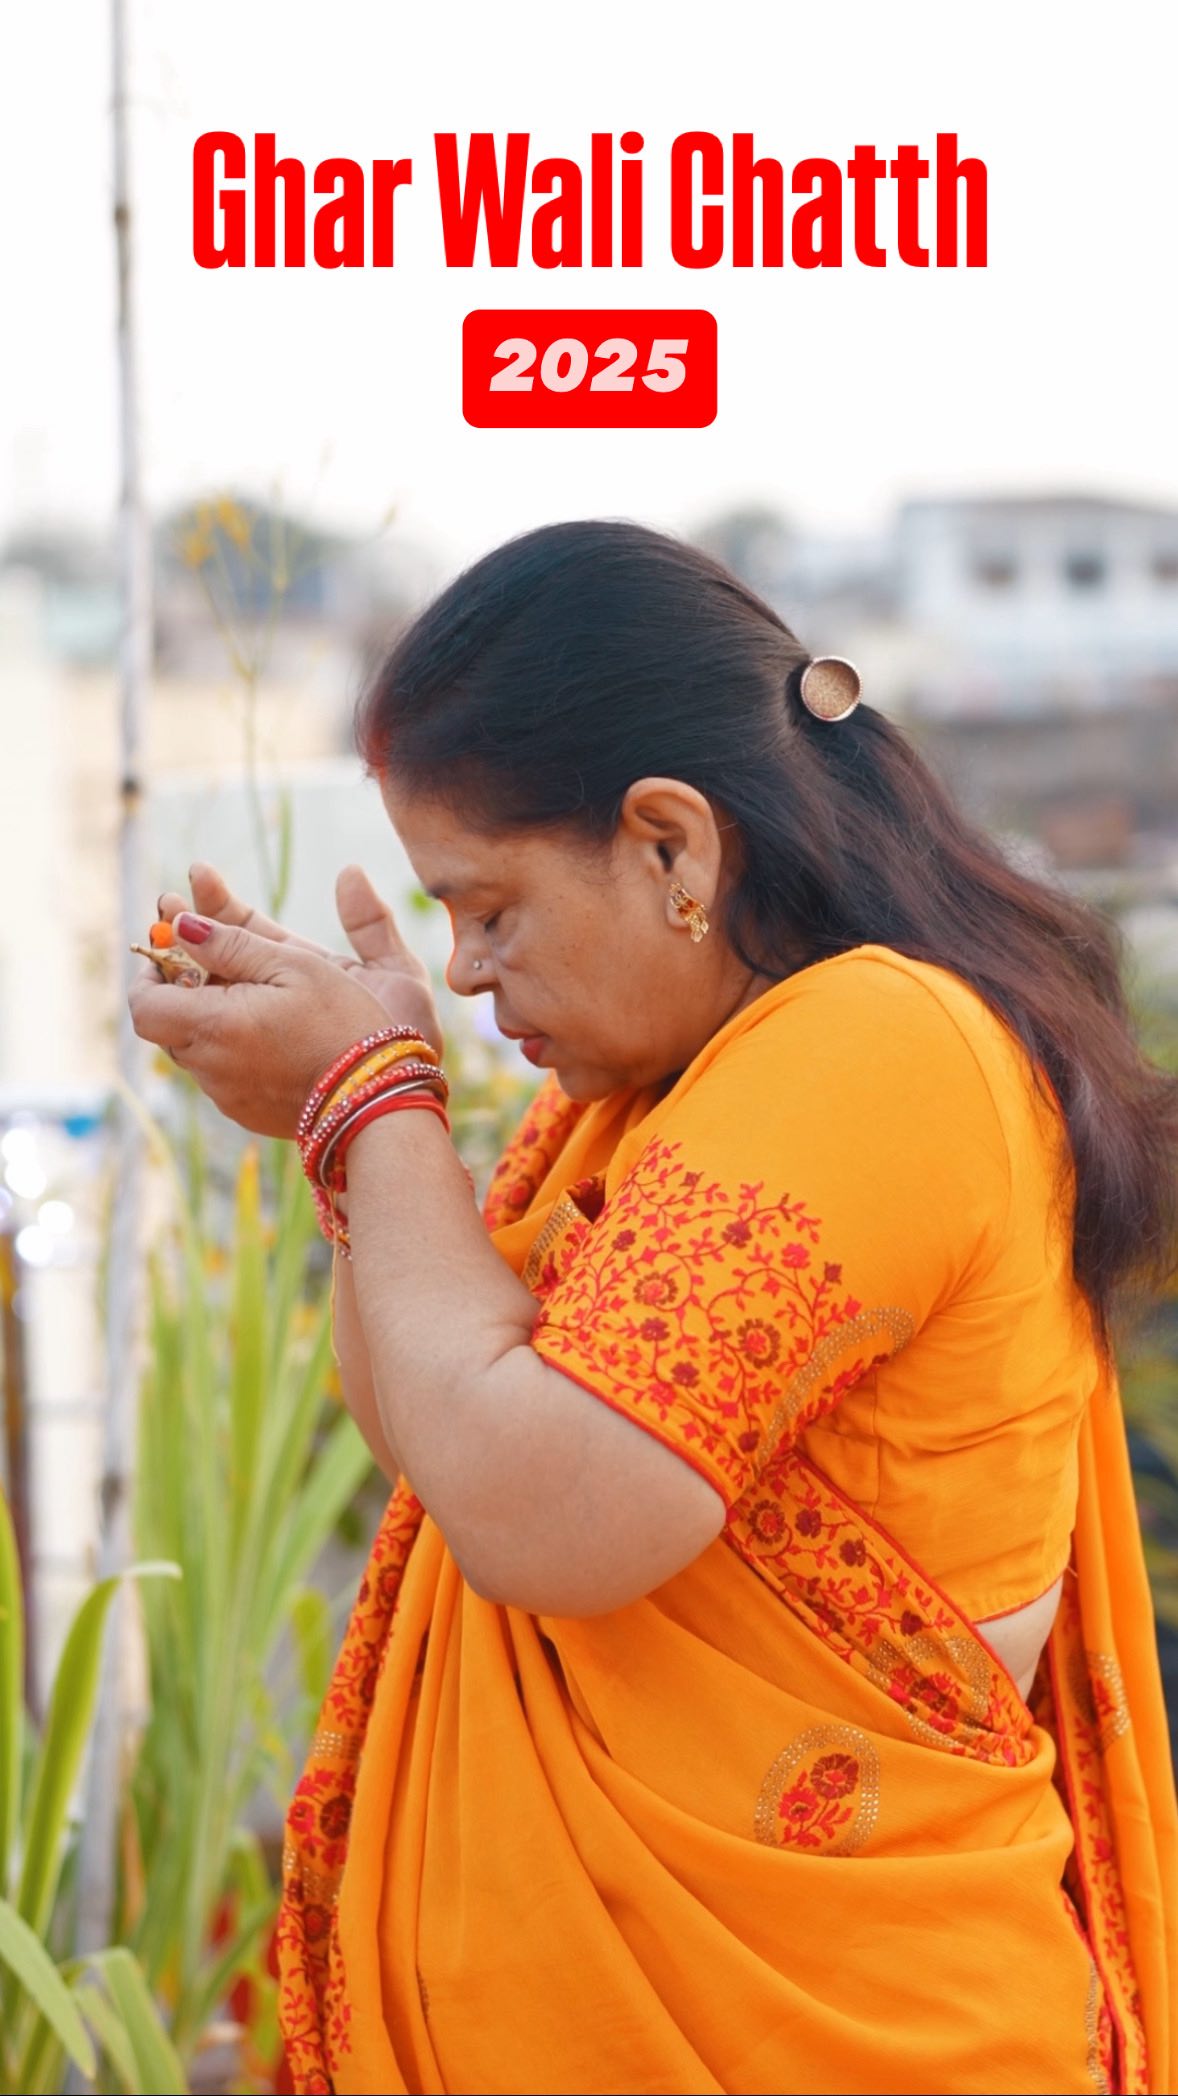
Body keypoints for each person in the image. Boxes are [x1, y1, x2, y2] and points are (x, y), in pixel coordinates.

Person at [131, 520, 1178, 2096]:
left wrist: (372, 1102)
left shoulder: (875, 1046)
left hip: (840, 2041)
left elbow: (544, 1512)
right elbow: (430, 1423)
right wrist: (357, 1127)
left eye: (489, 910)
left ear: (671, 846)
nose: (471, 972)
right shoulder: (664, 1091)